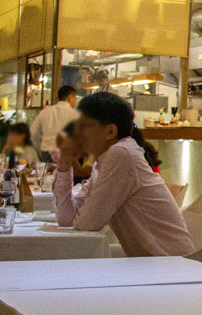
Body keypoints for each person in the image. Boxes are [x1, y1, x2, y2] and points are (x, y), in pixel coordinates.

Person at [54, 93, 193, 256]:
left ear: (110, 131)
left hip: (169, 265)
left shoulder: (121, 154)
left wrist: (82, 216)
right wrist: (64, 167)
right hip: (148, 263)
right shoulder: (104, 161)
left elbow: (88, 223)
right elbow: (66, 220)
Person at [31, 85, 80, 160]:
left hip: (46, 154)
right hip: (67, 154)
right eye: (75, 99)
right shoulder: (75, 114)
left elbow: (33, 133)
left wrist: (41, 146)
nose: (75, 102)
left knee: (48, 172)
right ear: (70, 98)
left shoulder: (45, 112)